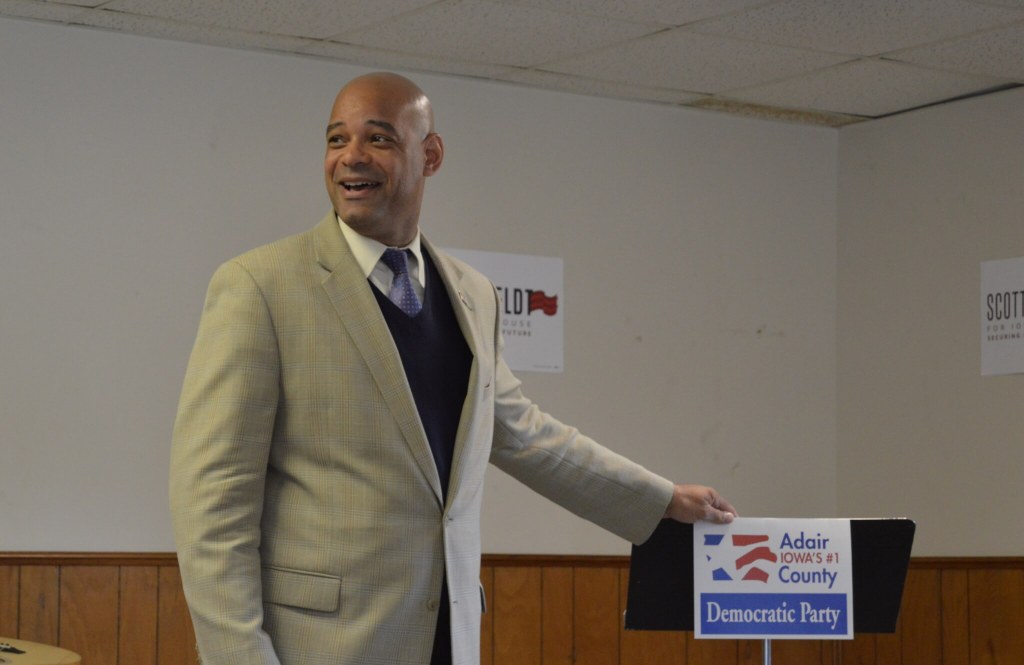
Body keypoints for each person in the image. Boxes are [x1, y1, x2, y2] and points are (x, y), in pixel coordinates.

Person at [170, 71, 736, 665]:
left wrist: (660, 498)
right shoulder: (259, 287)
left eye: (379, 139)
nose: (350, 158)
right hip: (322, 648)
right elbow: (211, 503)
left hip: (449, 641)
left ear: (430, 155)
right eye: (336, 140)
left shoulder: (474, 294)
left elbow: (524, 435)